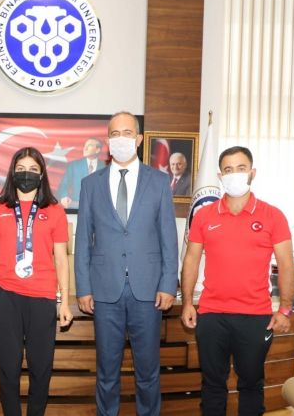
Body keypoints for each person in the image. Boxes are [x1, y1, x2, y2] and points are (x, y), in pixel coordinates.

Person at [75, 111, 178, 415]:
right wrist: (83, 287)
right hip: (104, 291)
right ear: (108, 140)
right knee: (107, 373)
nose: (121, 139)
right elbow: (83, 240)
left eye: (127, 133)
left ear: (139, 139)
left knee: (148, 373)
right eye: (115, 134)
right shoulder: (90, 184)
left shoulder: (159, 181)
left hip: (148, 291)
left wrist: (168, 284)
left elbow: (168, 237)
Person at [180, 146, 294, 416]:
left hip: (255, 317)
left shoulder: (273, 215)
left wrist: (285, 309)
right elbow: (191, 260)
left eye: (241, 168)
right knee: (212, 385)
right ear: (220, 176)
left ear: (252, 173)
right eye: (228, 170)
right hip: (211, 315)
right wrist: (187, 303)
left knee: (251, 384)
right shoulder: (204, 216)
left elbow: (287, 265)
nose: (235, 174)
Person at [0, 147, 74, 416]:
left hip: (43, 298)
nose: (26, 174)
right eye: (21, 169)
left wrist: (64, 302)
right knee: (8, 368)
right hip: (6, 296)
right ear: (12, 172)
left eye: (33, 169)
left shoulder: (55, 210)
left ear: (42, 174)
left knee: (40, 369)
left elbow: (62, 260)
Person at [57, 137, 105, 208]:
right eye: (85, 146)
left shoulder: (105, 167)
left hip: (99, 208)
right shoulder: (74, 166)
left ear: (97, 150)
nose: (85, 148)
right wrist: (64, 196)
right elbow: (63, 185)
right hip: (76, 208)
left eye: (89, 145)